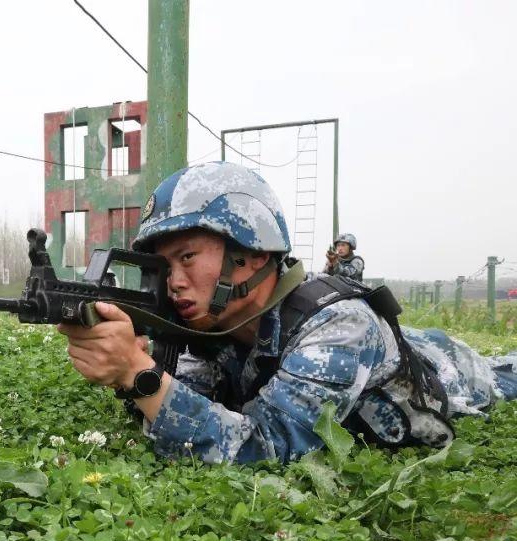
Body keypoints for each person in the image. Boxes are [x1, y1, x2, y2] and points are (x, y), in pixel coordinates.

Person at [59, 162, 517, 465]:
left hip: (452, 368)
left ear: (252, 253)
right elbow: (193, 406)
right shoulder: (212, 323)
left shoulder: (341, 325)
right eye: (163, 266)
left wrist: (140, 375)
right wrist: (132, 373)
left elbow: (270, 448)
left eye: (187, 257)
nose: (173, 281)